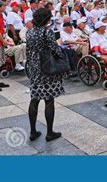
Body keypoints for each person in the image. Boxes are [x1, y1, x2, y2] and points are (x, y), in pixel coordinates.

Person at [26, 8, 65, 142]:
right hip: (47, 68)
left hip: (34, 69)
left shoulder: (29, 32)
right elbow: (55, 50)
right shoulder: (47, 32)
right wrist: (61, 54)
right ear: (46, 19)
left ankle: (32, 131)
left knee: (34, 99)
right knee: (49, 101)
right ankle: (49, 132)